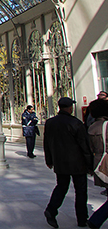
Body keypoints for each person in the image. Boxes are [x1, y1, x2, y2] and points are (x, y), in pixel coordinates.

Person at [43, 97, 93, 229]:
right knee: (81, 191)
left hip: (60, 162)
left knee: (61, 187)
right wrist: (90, 164)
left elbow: (46, 143)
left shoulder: (50, 123)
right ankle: (82, 218)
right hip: (78, 162)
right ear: (70, 108)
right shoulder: (76, 123)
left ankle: (51, 210)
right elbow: (84, 145)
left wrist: (49, 160)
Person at [89, 100, 108, 228]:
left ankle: (96, 220)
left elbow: (89, 149)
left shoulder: (92, 127)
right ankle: (95, 220)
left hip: (99, 164)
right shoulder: (106, 125)